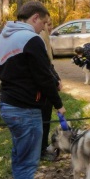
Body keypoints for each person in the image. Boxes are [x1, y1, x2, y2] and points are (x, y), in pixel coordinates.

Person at [0, 1, 66, 179]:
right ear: (35, 18)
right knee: (27, 162)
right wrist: (58, 104)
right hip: (25, 110)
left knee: (19, 154)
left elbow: (3, 70)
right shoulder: (30, 39)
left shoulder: (3, 36)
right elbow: (43, 76)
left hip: (8, 105)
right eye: (43, 23)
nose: (44, 28)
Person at [39, 17, 62, 161]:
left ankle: (42, 147)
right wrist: (54, 81)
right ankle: (41, 150)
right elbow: (44, 68)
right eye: (48, 24)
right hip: (42, 91)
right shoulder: (39, 37)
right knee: (43, 120)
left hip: (48, 85)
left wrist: (57, 79)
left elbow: (49, 64)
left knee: (45, 120)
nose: (50, 27)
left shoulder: (44, 37)